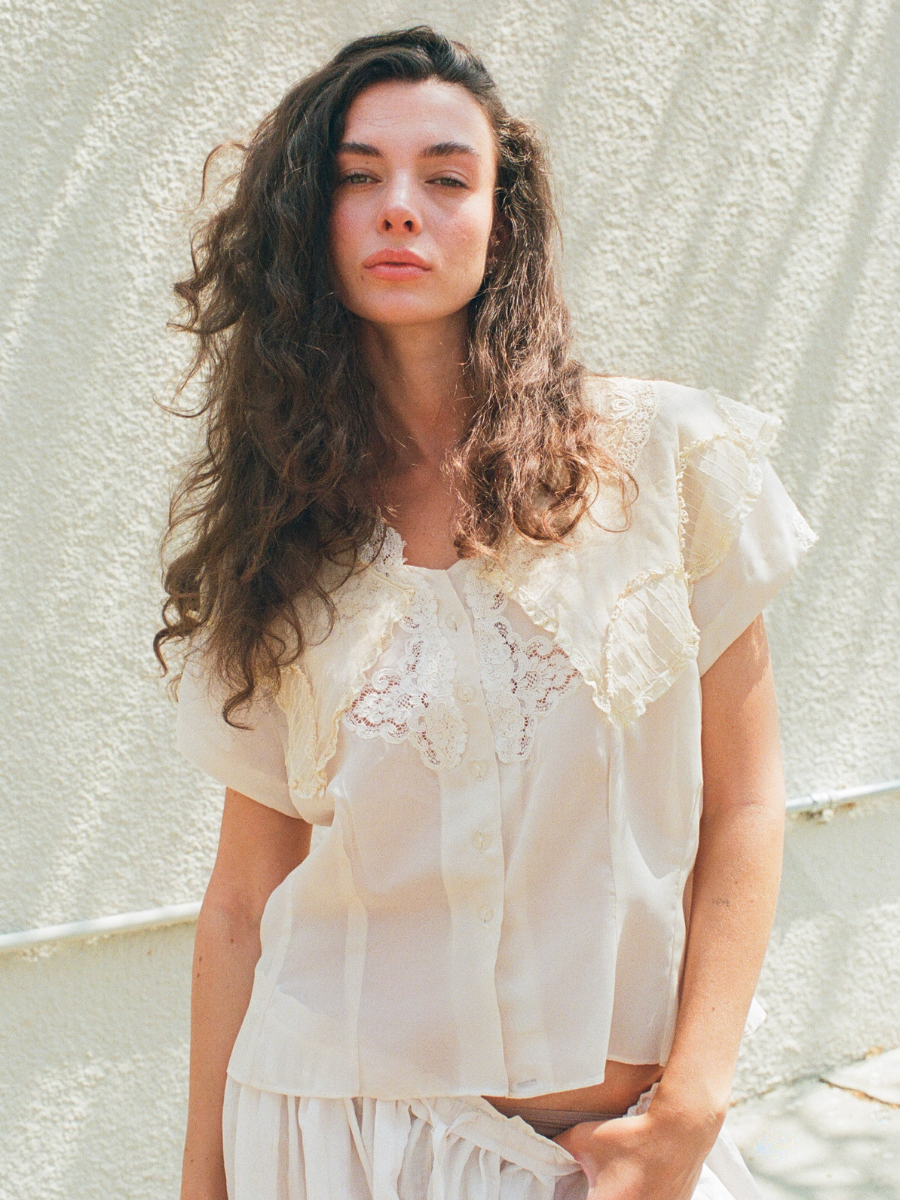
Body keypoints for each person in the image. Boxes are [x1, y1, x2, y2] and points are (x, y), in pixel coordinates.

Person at [157, 26, 816, 1200]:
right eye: (358, 177)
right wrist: (203, 1185)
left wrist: (696, 1105)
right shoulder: (278, 541)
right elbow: (243, 904)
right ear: (310, 221)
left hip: (617, 1149)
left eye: (445, 177)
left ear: (502, 220)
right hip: (328, 1139)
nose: (400, 207)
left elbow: (748, 800)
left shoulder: (663, 463)